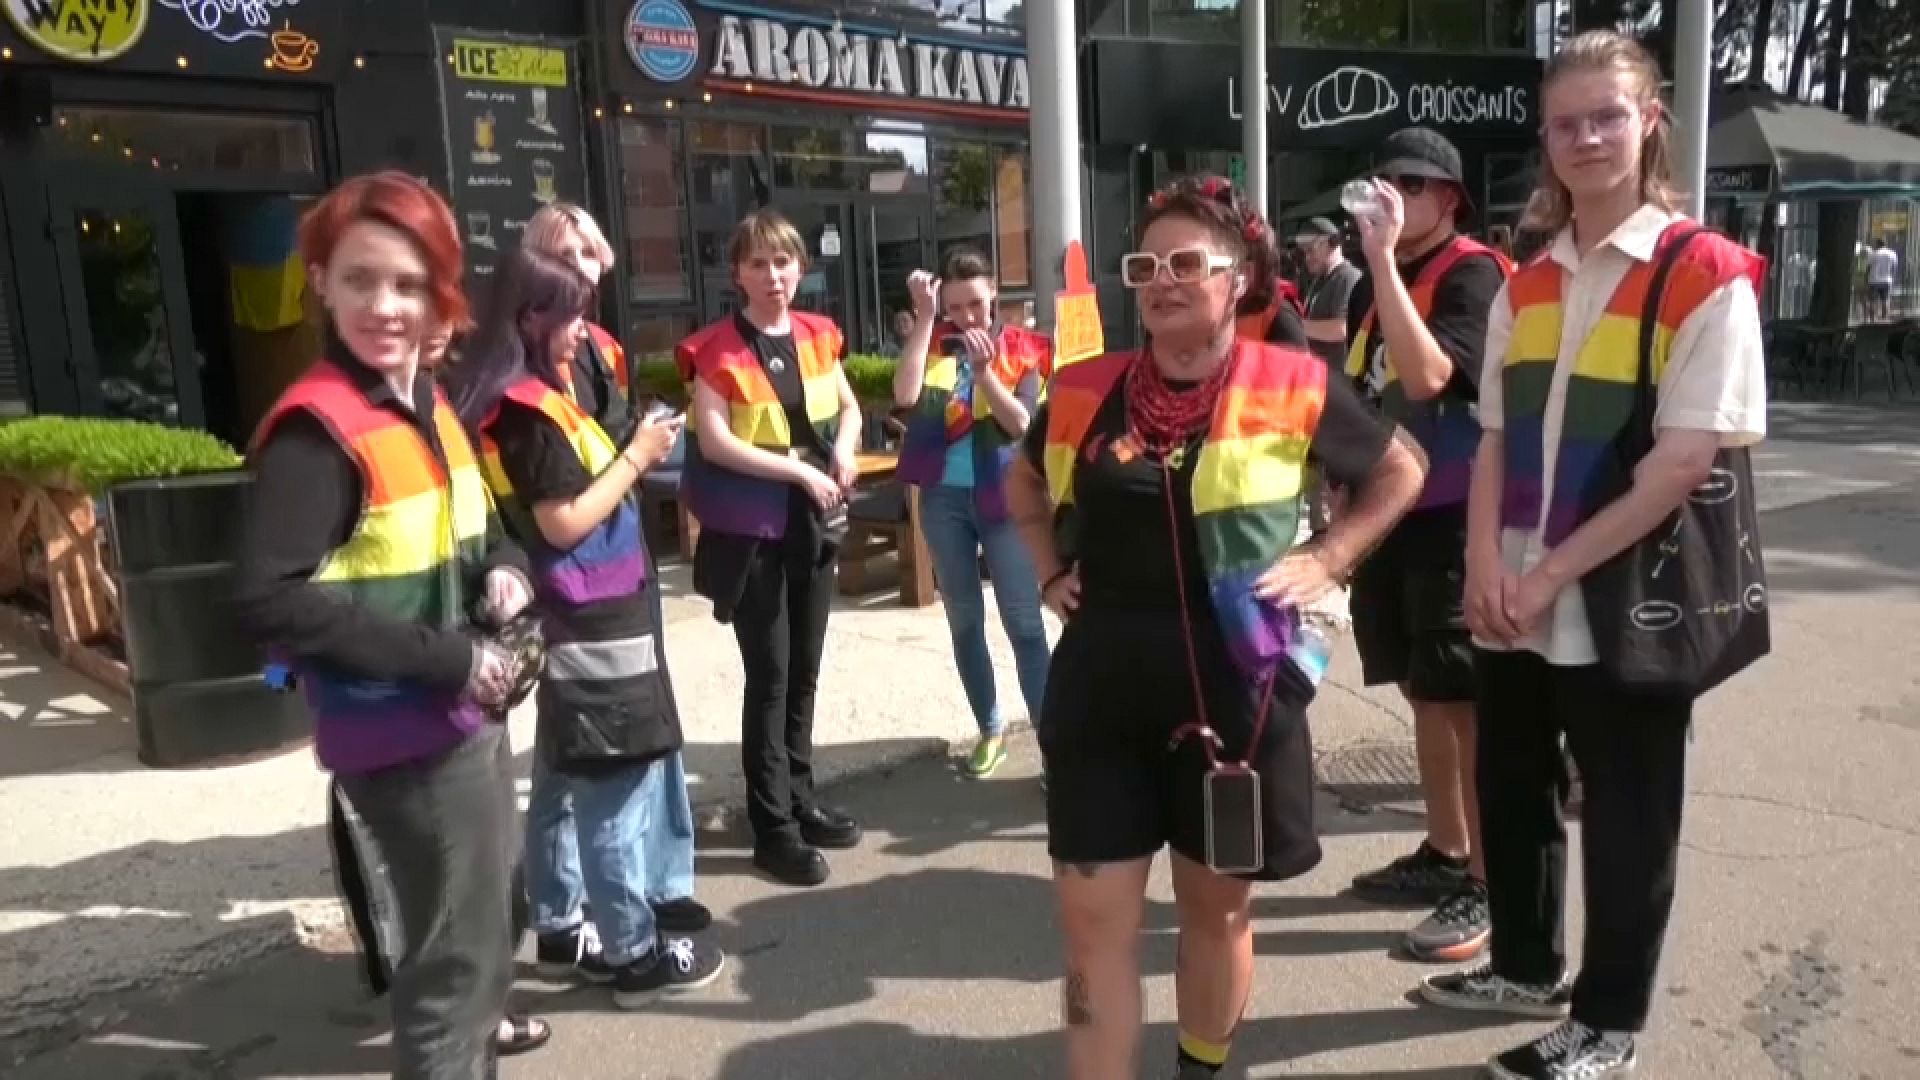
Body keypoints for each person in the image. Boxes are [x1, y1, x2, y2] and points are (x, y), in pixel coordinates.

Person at [1003, 174, 1426, 1080]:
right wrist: (1046, 570)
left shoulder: (1293, 381)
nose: (1160, 278)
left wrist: (1328, 557)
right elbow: (1021, 480)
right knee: (1090, 932)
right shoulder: (1084, 388)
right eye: (1145, 264)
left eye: (1186, 262)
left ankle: (1202, 1067)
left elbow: (1401, 472)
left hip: (1237, 693)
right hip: (1101, 691)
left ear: (1240, 277)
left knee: (1216, 913)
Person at [1418, 32, 1768, 1080]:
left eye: (1606, 116)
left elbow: (1680, 463)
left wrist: (1546, 571)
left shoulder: (1706, 274)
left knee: (1629, 815)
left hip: (1622, 597)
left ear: (1648, 123)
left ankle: (1608, 1022)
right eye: (1565, 121)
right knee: (1513, 782)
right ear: (1545, 135)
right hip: (1515, 587)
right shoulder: (1528, 282)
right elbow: (1488, 436)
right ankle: (1526, 965)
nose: (1584, 138)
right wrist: (1484, 560)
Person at [236, 170, 533, 1079]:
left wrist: (508, 574)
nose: (385, 305)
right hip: (405, 738)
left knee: (485, 942)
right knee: (453, 973)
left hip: (464, 717)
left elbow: (479, 532)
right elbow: (268, 597)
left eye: (408, 283)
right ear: (319, 281)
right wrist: (452, 659)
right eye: (359, 279)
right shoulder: (316, 429)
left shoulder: (428, 403)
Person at [448, 248, 726, 1009]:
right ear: (528, 318)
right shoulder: (525, 411)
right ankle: (632, 953)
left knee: (582, 783)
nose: (582, 328)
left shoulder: (542, 395)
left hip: (599, 612)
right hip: (589, 621)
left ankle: (573, 928)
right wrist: (637, 456)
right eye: (569, 312)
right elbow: (563, 521)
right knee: (613, 790)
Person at [1340, 127, 1513, 965]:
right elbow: (1359, 388)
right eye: (1381, 179)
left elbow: (1429, 378)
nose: (1390, 194)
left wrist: (1378, 262)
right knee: (1421, 688)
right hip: (1391, 513)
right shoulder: (1381, 283)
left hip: (1454, 513)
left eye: (1410, 182)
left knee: (1461, 700)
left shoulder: (1473, 272)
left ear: (1448, 199)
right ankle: (1445, 851)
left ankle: (1489, 877)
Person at [520, 202, 713, 943]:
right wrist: (636, 454)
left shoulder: (598, 347)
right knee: (571, 745)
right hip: (565, 575)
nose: (586, 277)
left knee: (646, 719)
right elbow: (555, 497)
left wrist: (650, 443)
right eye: (571, 261)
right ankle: (561, 910)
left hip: (622, 558)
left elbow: (619, 435)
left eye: (594, 263)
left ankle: (662, 879)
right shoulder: (523, 362)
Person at [676, 210, 865, 887]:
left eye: (783, 261)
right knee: (771, 677)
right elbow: (714, 440)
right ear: (738, 274)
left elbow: (849, 408)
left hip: (812, 526)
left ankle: (801, 799)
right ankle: (772, 829)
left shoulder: (817, 335)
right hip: (753, 534)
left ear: (800, 268)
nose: (773, 274)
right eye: (758, 263)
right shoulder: (716, 349)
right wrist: (802, 471)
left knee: (805, 671)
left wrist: (842, 450)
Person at [892, 249, 1053, 778]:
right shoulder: (935, 345)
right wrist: (924, 318)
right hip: (943, 501)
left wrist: (985, 375)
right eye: (955, 306)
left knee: (1024, 625)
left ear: (996, 301)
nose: (968, 317)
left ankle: (1054, 744)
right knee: (964, 621)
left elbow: (1020, 423)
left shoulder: (1024, 350)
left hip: (1006, 500)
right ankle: (990, 729)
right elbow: (905, 393)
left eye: (977, 304)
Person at [522, 202, 633, 437]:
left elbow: (619, 425)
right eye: (564, 254)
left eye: (589, 253)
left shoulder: (607, 345)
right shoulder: (515, 344)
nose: (579, 265)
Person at [1294, 217, 1363, 367]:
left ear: (1333, 244)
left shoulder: (1348, 277)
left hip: (1337, 376)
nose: (1307, 257)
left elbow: (1341, 329)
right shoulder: (1319, 280)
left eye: (1311, 250)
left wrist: (1296, 326)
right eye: (1305, 252)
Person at [1867, 236, 1899, 322]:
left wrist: (1866, 278)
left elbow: (1869, 267)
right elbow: (1894, 268)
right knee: (1885, 300)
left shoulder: (1874, 253)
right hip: (1887, 280)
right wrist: (1892, 278)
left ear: (1878, 244)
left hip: (1874, 280)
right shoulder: (1892, 253)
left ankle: (1872, 320)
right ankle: (1884, 319)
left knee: (1872, 301)